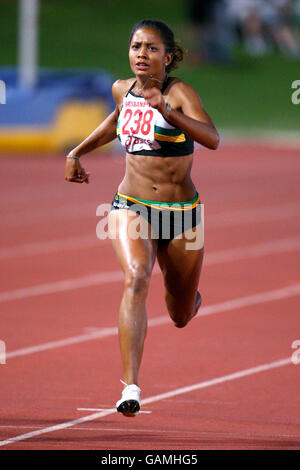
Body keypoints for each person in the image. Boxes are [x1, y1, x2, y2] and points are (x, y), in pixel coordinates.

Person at [65, 19, 219, 417]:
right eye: (136, 46)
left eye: (151, 48)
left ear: (168, 57)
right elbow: (116, 123)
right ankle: (130, 386)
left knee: (179, 314)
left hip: (181, 214)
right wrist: (76, 152)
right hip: (131, 205)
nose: (141, 55)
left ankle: (189, 298)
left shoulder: (180, 92)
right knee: (136, 277)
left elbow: (212, 138)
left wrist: (168, 111)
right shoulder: (122, 89)